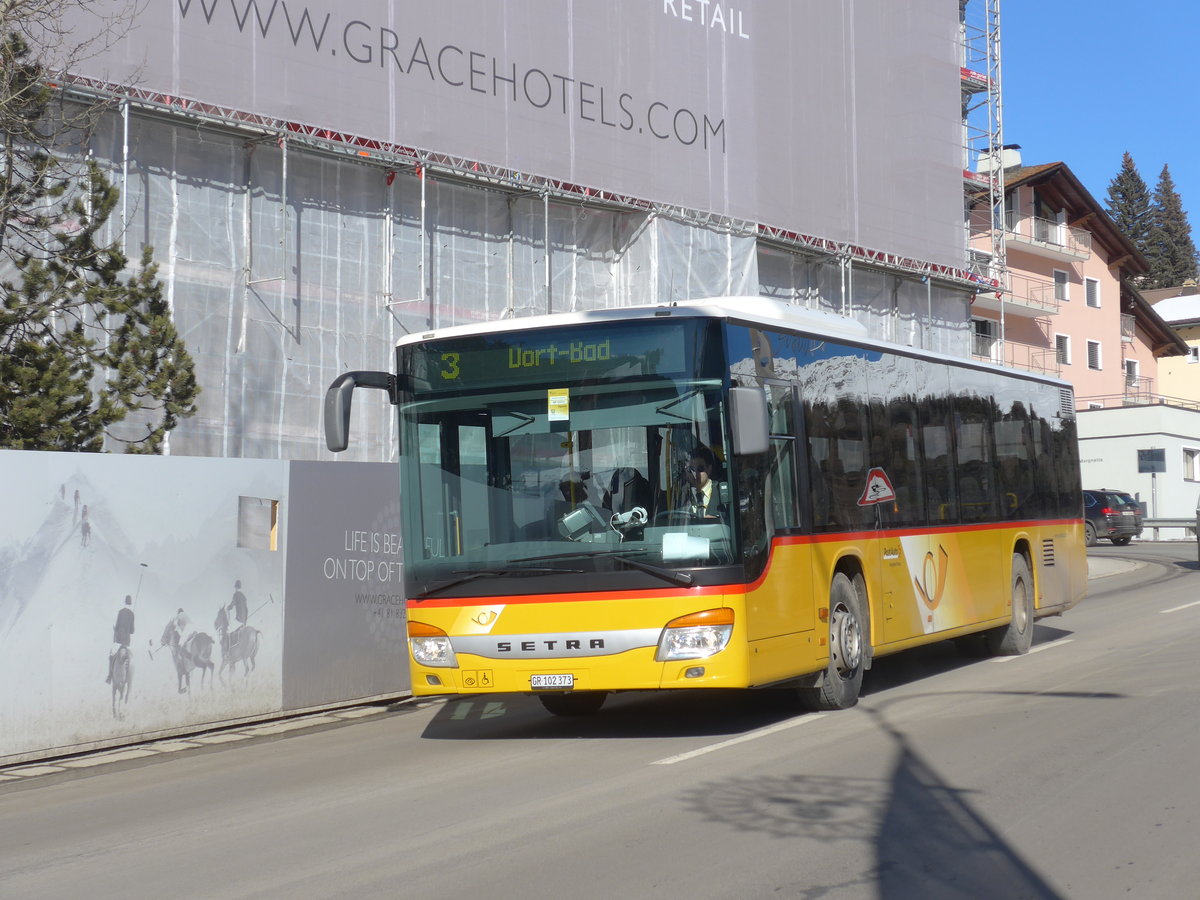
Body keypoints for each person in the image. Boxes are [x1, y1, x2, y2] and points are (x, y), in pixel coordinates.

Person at [679, 445, 725, 519]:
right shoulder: (680, 496)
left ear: (709, 469)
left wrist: (717, 521)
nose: (695, 474)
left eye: (700, 468)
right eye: (691, 469)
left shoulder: (722, 493)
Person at [105, 595, 135, 684]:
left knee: (111, 655)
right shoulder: (132, 614)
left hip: (119, 641)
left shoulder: (120, 612)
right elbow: (132, 631)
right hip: (127, 642)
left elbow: (117, 626)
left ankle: (109, 676)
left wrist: (116, 629)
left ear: (125, 602)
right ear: (130, 603)